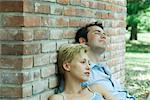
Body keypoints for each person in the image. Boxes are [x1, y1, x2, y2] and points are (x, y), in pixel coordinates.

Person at [74, 22, 136, 100]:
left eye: (104, 34)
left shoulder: (103, 68)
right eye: (97, 33)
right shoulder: (80, 71)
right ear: (83, 41)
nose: (103, 36)